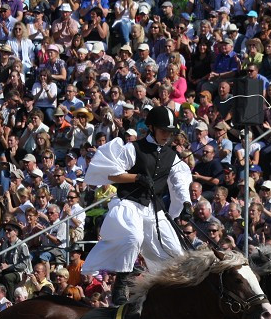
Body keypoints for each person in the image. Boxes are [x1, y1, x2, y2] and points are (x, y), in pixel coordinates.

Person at [81, 105, 192, 305]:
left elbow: (179, 181)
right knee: (133, 237)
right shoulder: (134, 148)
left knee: (177, 253)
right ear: (151, 127)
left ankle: (169, 292)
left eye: (170, 132)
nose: (167, 135)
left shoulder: (172, 155)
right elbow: (112, 173)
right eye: (163, 130)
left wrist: (186, 204)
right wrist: (136, 177)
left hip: (153, 210)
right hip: (129, 205)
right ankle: (121, 283)